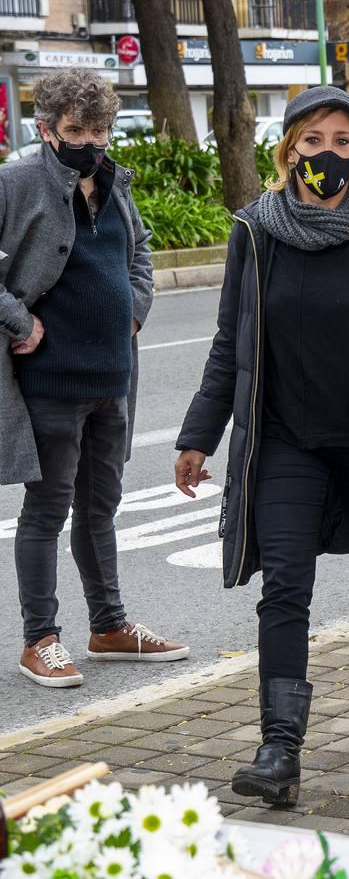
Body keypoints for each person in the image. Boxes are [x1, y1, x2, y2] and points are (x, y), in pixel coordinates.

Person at [174, 86, 349, 808]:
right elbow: (230, 343)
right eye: (311, 141)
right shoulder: (255, 233)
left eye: (340, 141)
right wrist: (198, 436)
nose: (325, 154)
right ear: (288, 151)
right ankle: (278, 749)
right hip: (286, 442)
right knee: (284, 589)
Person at [0, 68, 186, 690]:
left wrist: (135, 307)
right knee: (47, 510)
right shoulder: (17, 181)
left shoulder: (112, 182)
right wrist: (17, 321)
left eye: (101, 129)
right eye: (77, 130)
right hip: (50, 381)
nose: (91, 141)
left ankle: (109, 626)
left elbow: (141, 252)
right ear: (47, 129)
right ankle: (39, 639)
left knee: (101, 507)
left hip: (113, 376)